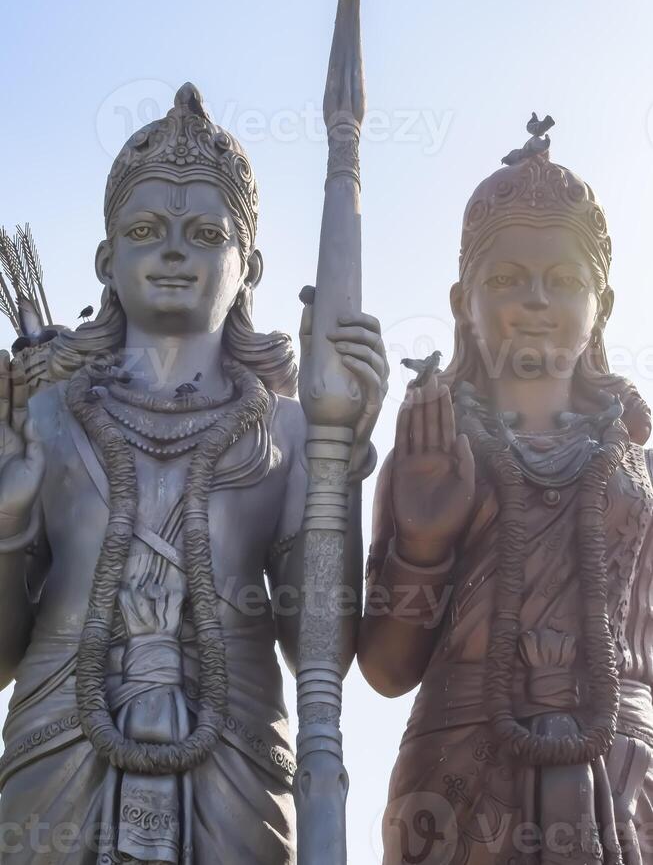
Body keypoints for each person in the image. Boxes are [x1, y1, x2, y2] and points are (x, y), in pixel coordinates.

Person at [0, 83, 387, 863]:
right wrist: (6, 523)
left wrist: (334, 466)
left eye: (205, 232)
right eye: (147, 230)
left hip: (236, 769)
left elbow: (321, 647)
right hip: (55, 762)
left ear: (250, 266)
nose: (174, 250)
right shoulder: (45, 417)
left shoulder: (286, 431)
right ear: (107, 259)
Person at [359, 123, 653, 865]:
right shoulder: (433, 447)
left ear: (603, 304)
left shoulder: (637, 472)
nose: (532, 300)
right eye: (504, 279)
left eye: (562, 281)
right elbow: (387, 670)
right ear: (462, 300)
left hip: (622, 776)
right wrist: (421, 546)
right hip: (460, 776)